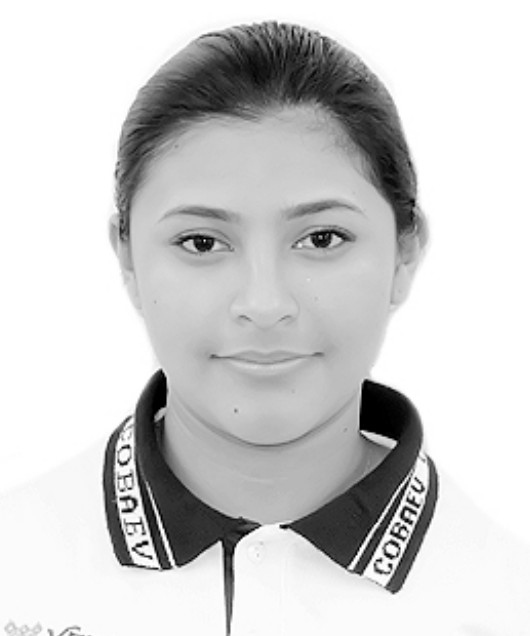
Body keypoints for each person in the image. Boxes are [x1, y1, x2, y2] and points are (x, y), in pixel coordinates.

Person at [1, 20, 529, 636]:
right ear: (128, 259)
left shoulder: (506, 601)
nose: (264, 303)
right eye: (201, 242)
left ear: (404, 253)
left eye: (322, 238)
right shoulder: (17, 566)